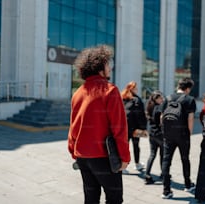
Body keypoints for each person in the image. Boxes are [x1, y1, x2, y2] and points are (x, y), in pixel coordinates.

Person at [68, 45, 130, 204]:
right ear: (99, 67)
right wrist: (124, 157)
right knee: (114, 199)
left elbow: (73, 127)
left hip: (83, 157)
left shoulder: (78, 93)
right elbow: (119, 128)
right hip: (104, 157)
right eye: (107, 64)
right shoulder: (110, 90)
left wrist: (74, 151)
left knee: (90, 198)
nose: (110, 67)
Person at [161, 77, 197, 199]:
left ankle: (166, 191)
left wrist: (165, 131)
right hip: (183, 135)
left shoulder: (168, 98)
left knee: (166, 161)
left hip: (168, 135)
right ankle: (188, 184)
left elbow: (162, 117)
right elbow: (190, 119)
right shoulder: (190, 100)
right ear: (187, 88)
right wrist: (189, 133)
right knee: (185, 159)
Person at [121, 81, 147, 172]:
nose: (137, 90)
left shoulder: (122, 98)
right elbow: (141, 115)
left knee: (125, 146)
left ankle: (123, 166)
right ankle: (137, 164)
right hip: (136, 128)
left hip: (124, 127)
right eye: (136, 88)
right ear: (132, 89)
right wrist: (143, 127)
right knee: (136, 145)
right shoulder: (137, 100)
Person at [144, 90, 164, 184]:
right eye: (160, 98)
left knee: (152, 154)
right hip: (160, 134)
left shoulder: (149, 107)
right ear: (156, 99)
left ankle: (147, 174)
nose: (162, 99)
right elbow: (161, 121)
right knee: (162, 154)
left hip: (152, 133)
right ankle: (163, 174)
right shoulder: (159, 108)